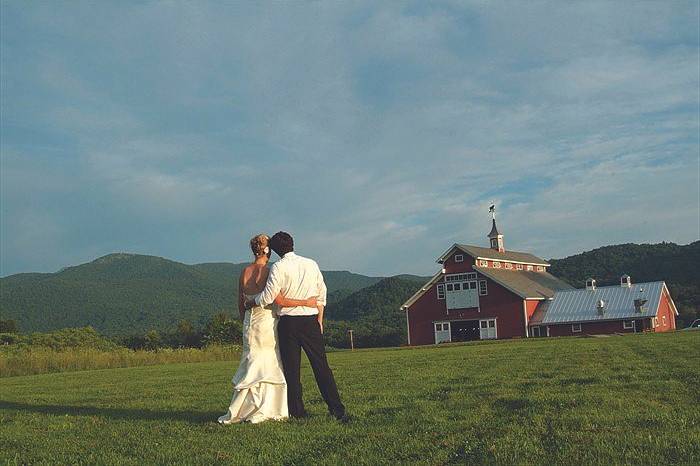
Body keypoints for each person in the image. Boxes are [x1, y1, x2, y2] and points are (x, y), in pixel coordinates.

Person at [248, 231, 348, 422]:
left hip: (289, 323)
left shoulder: (278, 267)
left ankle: (297, 412)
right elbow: (321, 293)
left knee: (292, 370)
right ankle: (337, 409)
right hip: (310, 320)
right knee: (322, 367)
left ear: (276, 250)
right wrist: (320, 318)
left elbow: (268, 297)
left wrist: (252, 301)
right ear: (293, 244)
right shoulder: (311, 263)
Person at [218, 234, 317, 425]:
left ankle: (244, 408)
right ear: (266, 250)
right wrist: (306, 302)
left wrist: (244, 321)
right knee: (269, 360)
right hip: (267, 321)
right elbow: (276, 299)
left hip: (250, 322)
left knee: (251, 361)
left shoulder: (244, 272)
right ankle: (266, 407)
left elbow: (241, 302)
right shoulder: (271, 271)